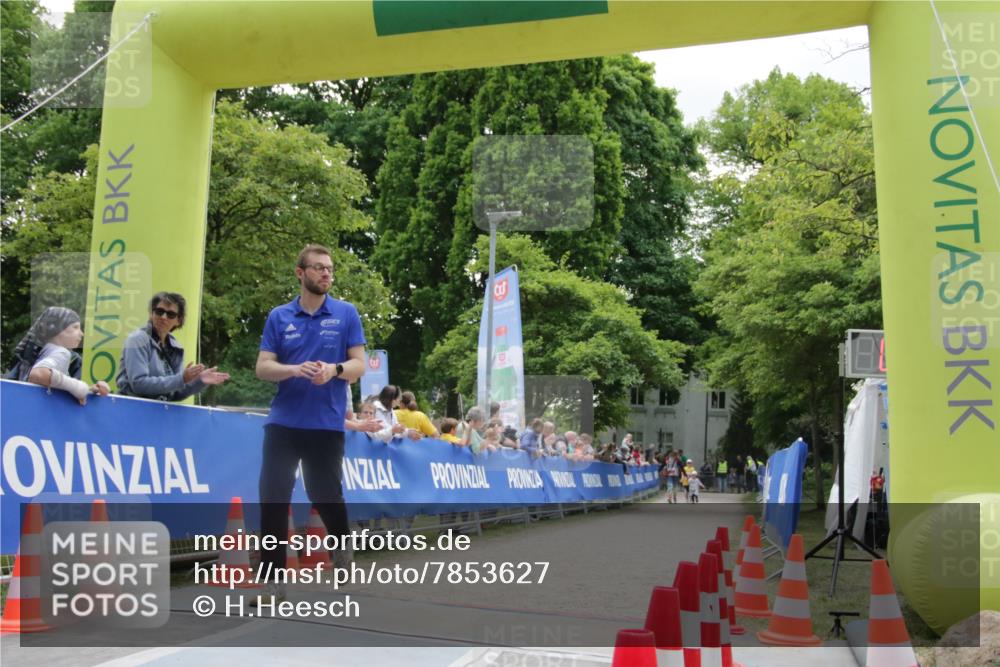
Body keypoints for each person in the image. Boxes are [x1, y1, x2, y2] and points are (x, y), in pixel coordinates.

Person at [254, 244, 366, 603]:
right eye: (318, 268)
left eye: (330, 269)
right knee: (272, 499)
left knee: (325, 495)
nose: (326, 274)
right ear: (300, 273)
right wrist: (293, 370)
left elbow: (359, 365)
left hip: (326, 424)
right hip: (284, 423)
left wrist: (333, 371)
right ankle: (273, 584)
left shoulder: (346, 313)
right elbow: (263, 367)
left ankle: (342, 546)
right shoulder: (279, 316)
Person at [117, 292, 229, 400]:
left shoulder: (175, 346)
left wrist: (199, 381)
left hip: (159, 413)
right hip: (131, 410)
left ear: (178, 321)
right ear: (151, 314)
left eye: (171, 314)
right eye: (159, 311)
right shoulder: (137, 339)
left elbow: (175, 393)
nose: (164, 317)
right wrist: (181, 378)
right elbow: (138, 384)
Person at [7, 307, 110, 404]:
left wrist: (89, 390)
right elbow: (38, 374)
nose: (81, 334)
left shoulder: (33, 356)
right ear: (56, 330)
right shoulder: (62, 353)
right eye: (75, 327)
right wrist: (79, 387)